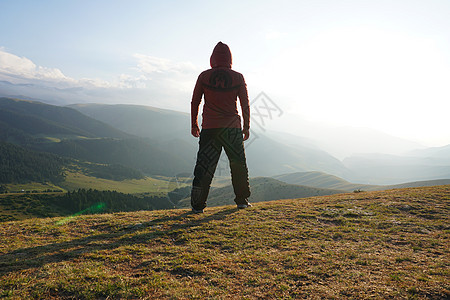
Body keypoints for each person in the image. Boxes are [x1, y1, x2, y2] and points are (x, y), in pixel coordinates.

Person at [190, 41, 251, 213]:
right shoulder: (238, 77)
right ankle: (242, 200)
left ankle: (197, 206)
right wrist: (246, 126)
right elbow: (245, 105)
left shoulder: (203, 76)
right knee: (238, 165)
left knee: (204, 167)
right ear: (230, 59)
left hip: (210, 128)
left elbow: (195, 101)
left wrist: (194, 123)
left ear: (212, 58)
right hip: (232, 129)